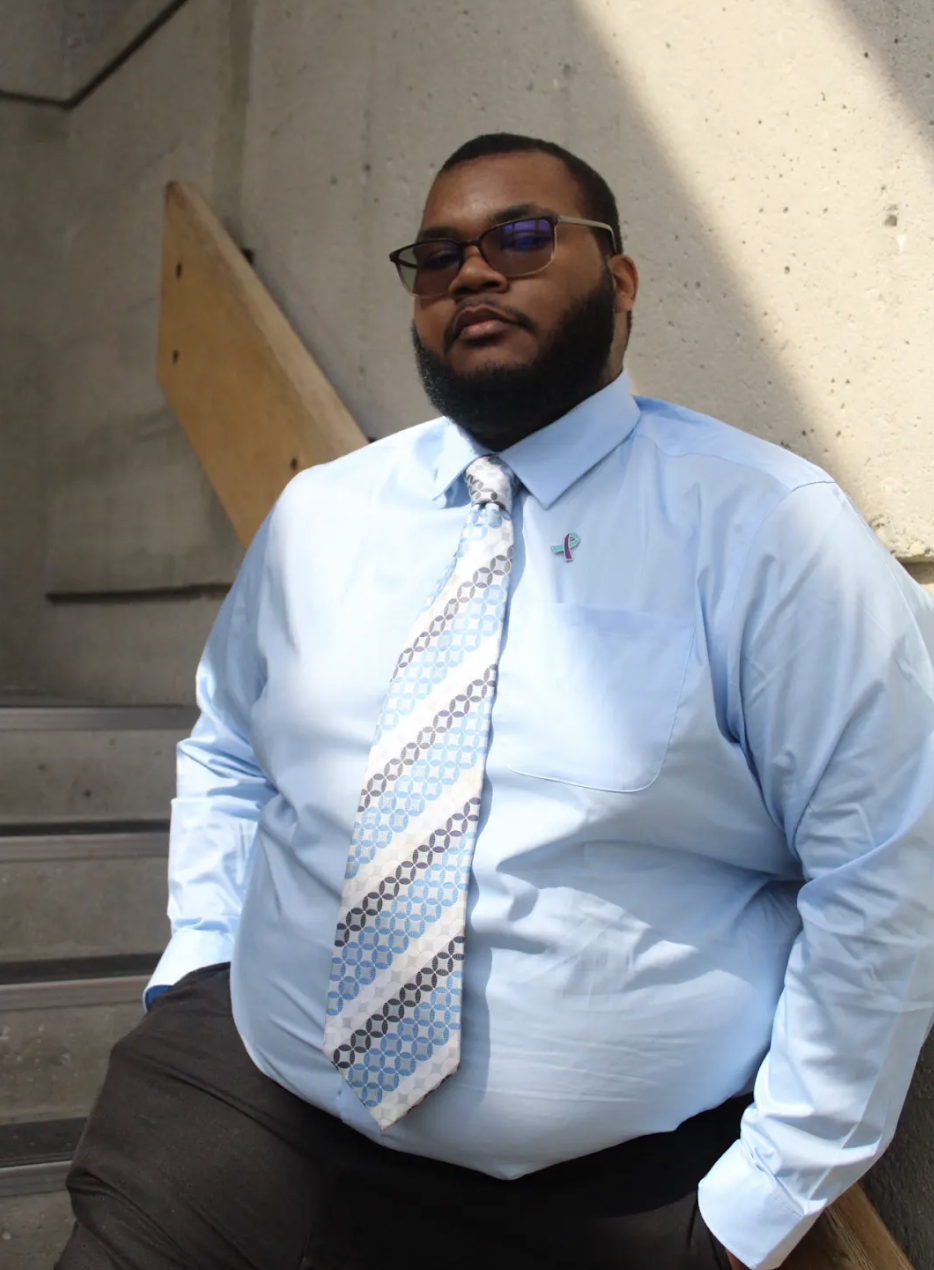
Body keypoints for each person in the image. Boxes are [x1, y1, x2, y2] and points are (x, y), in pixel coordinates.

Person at [58, 132, 934, 1270]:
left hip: (592, 1203)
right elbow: (229, 748)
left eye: (521, 237)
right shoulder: (322, 517)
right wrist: (199, 966)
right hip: (246, 1110)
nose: (472, 270)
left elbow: (888, 866)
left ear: (619, 280)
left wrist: (755, 1206)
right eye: (436, 255)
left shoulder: (769, 534)